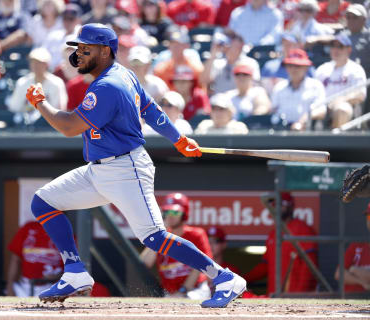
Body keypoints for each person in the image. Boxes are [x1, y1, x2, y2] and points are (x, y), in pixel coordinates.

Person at [24, 23, 246, 308]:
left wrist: (41, 104)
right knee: (43, 202)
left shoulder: (108, 85)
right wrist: (178, 139)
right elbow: (150, 109)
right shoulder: (122, 75)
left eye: (85, 48)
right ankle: (75, 271)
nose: (78, 54)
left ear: (105, 51)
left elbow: (68, 127)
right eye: (77, 48)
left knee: (154, 237)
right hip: (99, 170)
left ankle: (225, 278)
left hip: (126, 170)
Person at [140, 193, 212, 299]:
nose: (170, 215)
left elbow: (203, 266)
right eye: (167, 211)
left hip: (195, 290)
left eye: (175, 212)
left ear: (184, 213)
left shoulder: (196, 234)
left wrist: (183, 291)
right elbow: (144, 263)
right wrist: (159, 233)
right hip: (171, 294)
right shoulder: (161, 237)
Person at [245, 192, 318, 296]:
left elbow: (309, 266)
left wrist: (299, 296)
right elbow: (265, 266)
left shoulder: (303, 229)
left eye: (281, 204)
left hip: (295, 297)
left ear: (290, 206)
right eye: (274, 205)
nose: (277, 207)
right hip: (274, 296)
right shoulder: (273, 234)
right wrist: (242, 279)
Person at [315, 33, 366, 128]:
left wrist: (339, 100)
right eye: (333, 46)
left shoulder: (356, 69)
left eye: (340, 46)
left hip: (344, 109)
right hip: (322, 108)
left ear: (349, 50)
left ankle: (335, 141)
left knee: (342, 109)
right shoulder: (322, 69)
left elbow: (360, 94)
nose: (336, 50)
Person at [271, 49, 326, 131]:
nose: (294, 69)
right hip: (281, 132)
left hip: (308, 131)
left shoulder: (315, 85)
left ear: (306, 68)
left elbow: (321, 111)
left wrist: (304, 119)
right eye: (290, 65)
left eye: (298, 66)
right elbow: (273, 110)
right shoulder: (279, 87)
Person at [8, 47, 67, 122]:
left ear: (46, 64)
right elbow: (14, 106)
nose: (35, 65)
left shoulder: (56, 83)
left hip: (50, 124)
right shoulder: (22, 82)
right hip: (25, 123)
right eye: (33, 62)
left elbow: (59, 110)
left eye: (39, 62)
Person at [6, 220, 64, 297]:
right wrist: (10, 286)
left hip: (54, 288)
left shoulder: (65, 231)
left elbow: (74, 268)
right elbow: (15, 259)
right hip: (25, 286)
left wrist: (58, 276)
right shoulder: (29, 227)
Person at [334, 202, 370, 292]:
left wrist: (355, 270)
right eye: (369, 217)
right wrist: (361, 281)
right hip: (349, 300)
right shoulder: (357, 244)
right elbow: (338, 274)